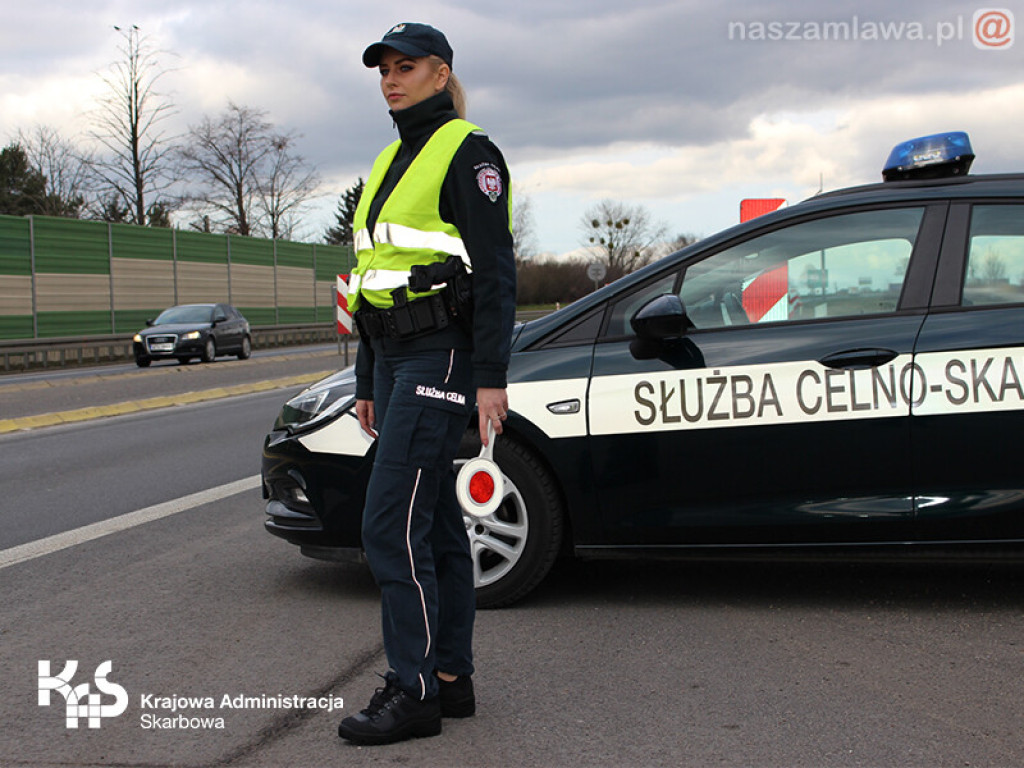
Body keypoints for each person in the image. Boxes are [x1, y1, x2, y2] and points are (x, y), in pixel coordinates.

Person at [336, 22, 516, 746]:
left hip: (443, 357)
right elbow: (372, 285)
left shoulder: (468, 153)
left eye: (406, 67)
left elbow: (498, 273)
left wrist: (490, 377)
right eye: (383, 68)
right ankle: (449, 679)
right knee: (436, 523)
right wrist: (367, 376)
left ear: (441, 75)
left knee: (388, 524)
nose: (391, 79)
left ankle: (409, 690)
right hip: (398, 359)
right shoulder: (385, 162)